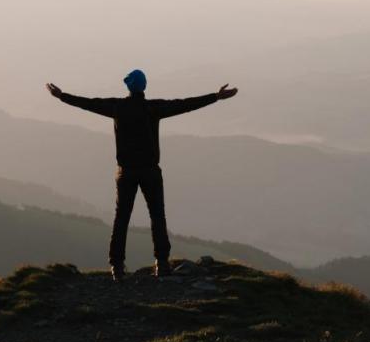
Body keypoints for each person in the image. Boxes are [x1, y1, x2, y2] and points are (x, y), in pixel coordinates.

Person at [46, 70, 238, 280]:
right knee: (157, 216)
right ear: (144, 86)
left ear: (128, 87)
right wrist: (215, 97)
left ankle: (117, 267)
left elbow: (89, 103)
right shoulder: (152, 108)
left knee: (122, 218)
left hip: (125, 172)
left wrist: (62, 96)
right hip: (150, 171)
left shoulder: (117, 107)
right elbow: (184, 104)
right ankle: (162, 264)